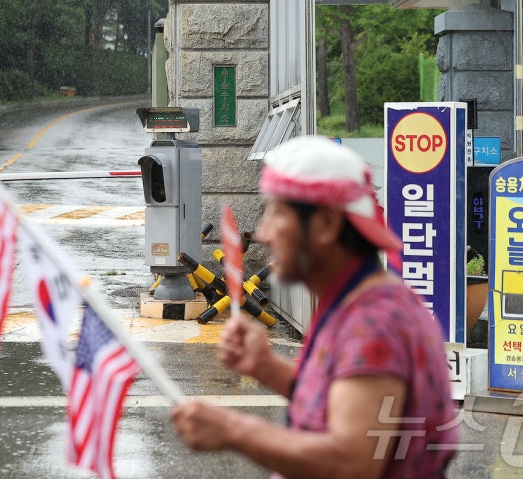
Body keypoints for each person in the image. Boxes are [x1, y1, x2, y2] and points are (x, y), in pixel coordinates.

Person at [171, 135, 458, 478]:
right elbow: (333, 397)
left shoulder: (375, 321)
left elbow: (352, 460)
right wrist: (265, 367)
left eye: (275, 213)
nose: (262, 233)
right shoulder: (353, 303)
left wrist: (235, 430)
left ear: (326, 223)